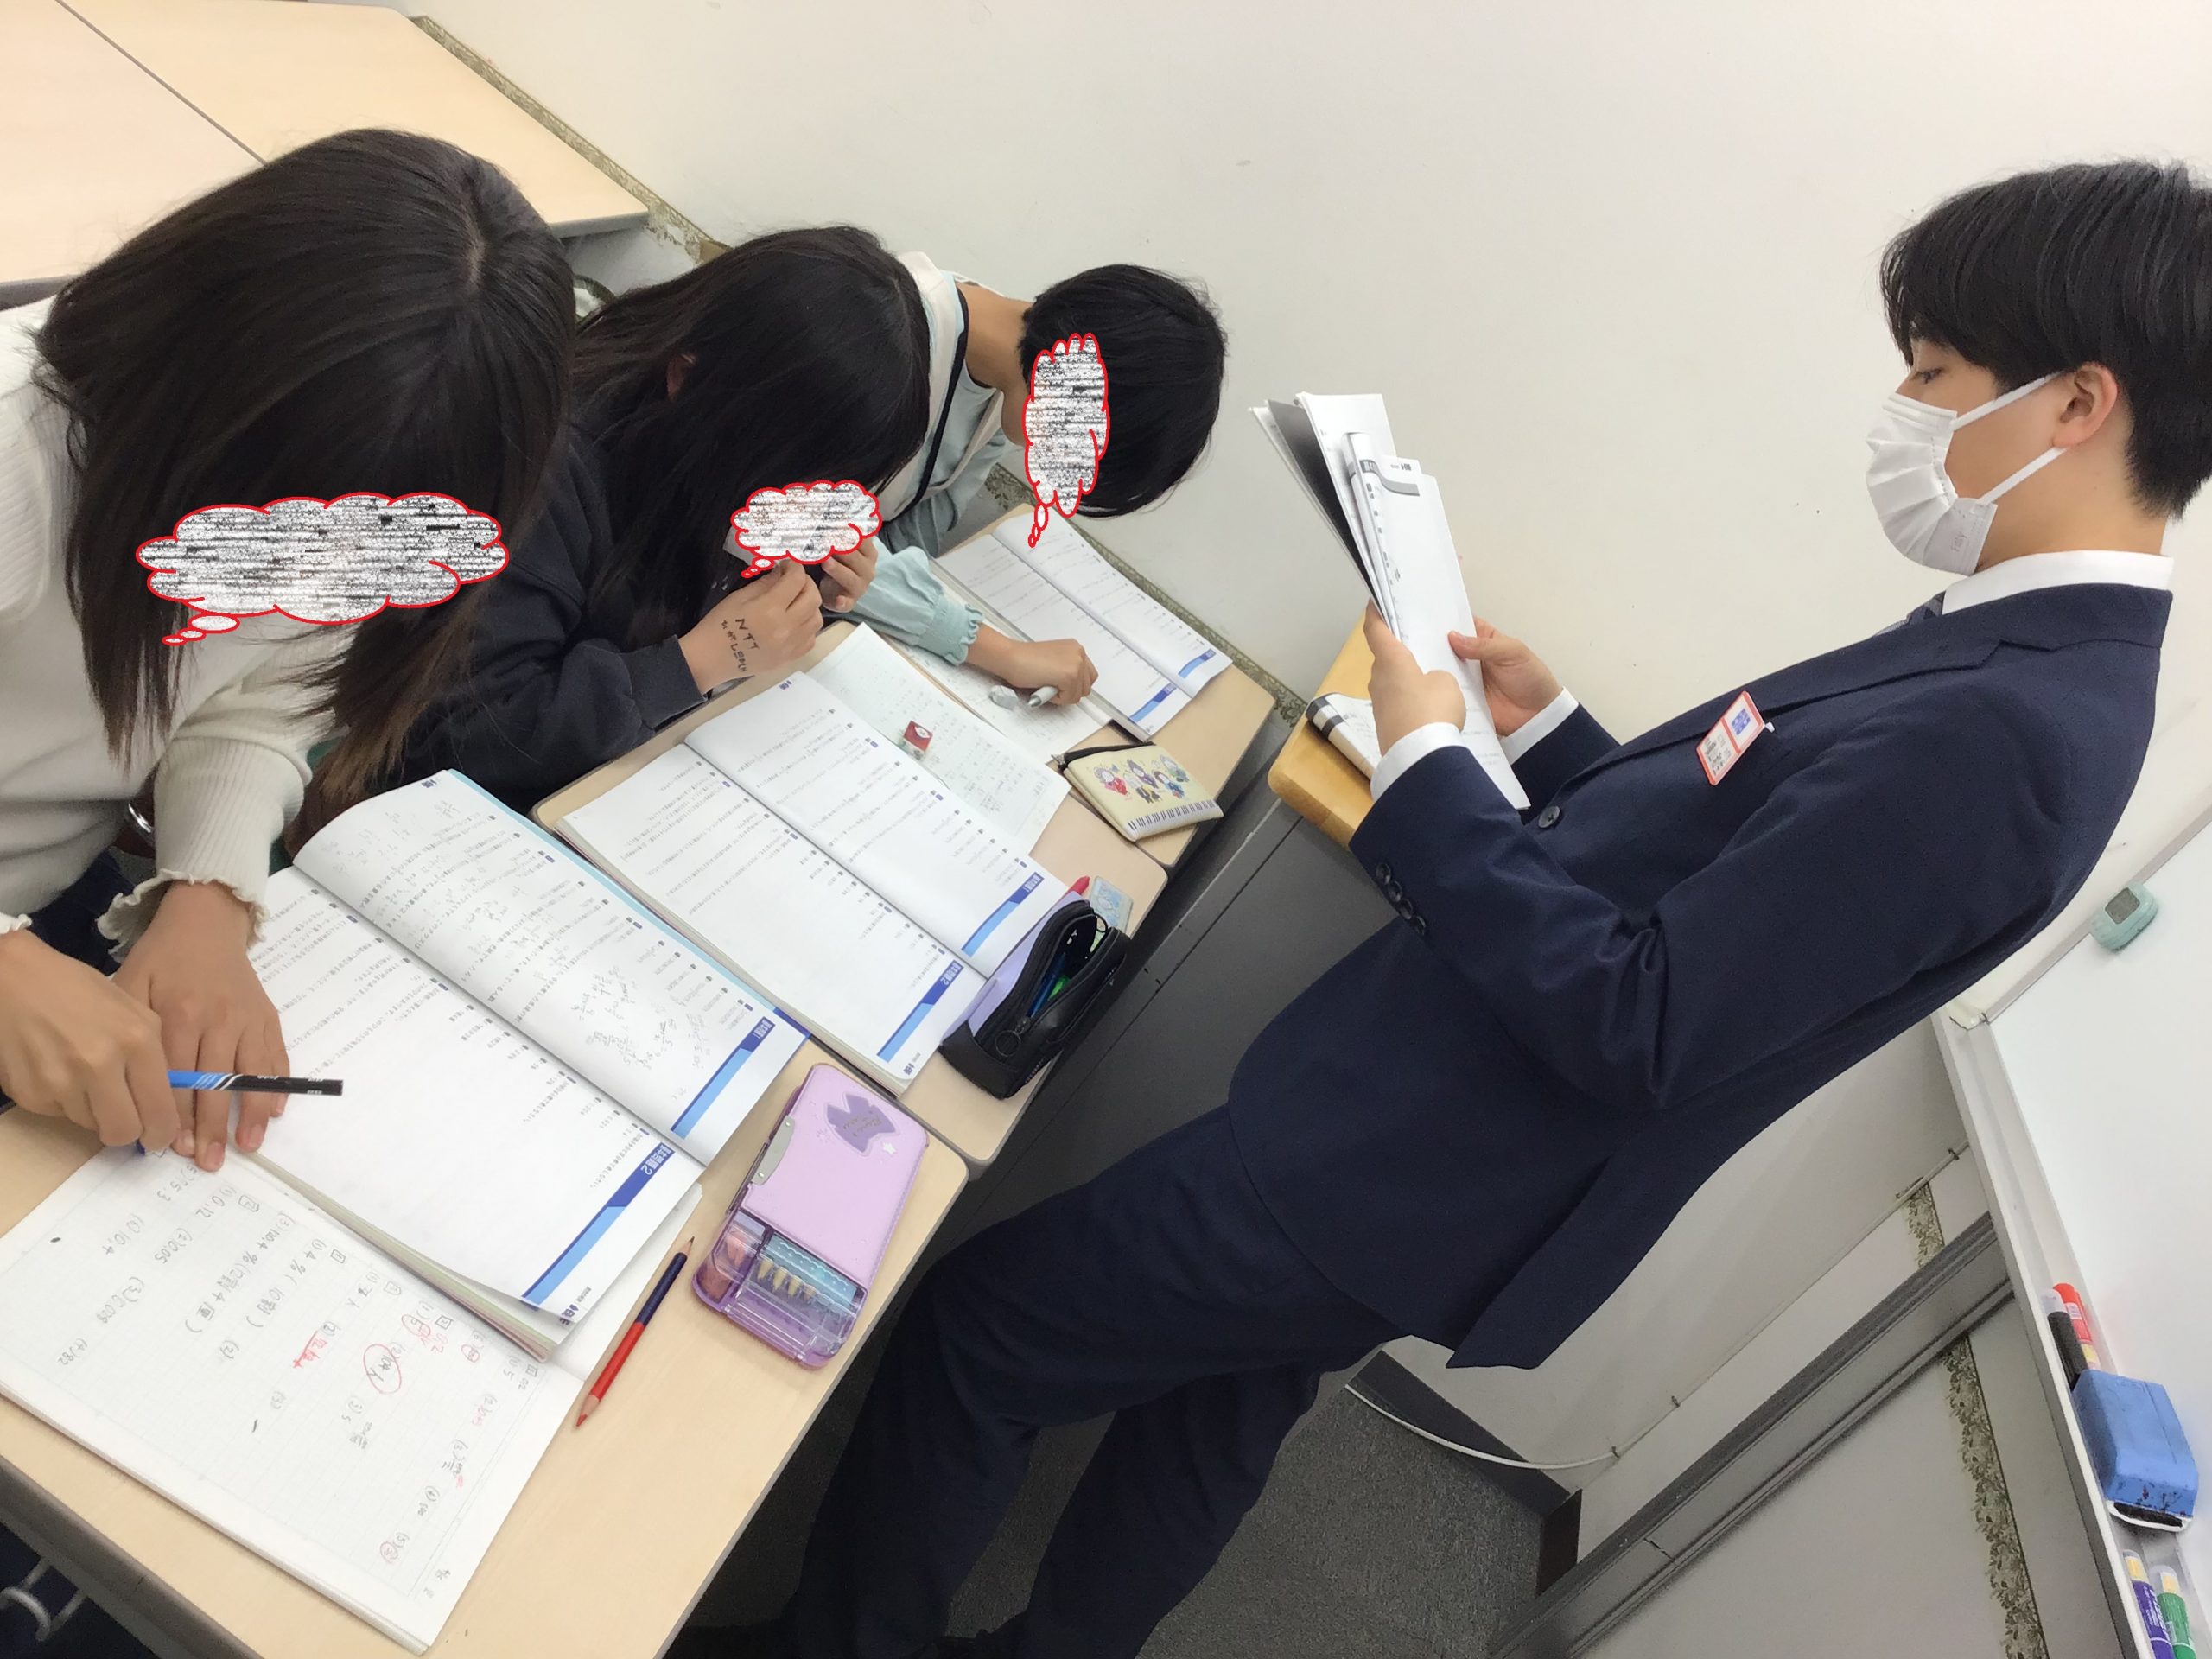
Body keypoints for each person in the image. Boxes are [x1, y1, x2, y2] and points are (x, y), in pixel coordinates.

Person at [733, 158, 2200, 1659]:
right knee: (1209, 1416)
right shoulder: (2019, 653)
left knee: (984, 1330)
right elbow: (1745, 852)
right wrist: (1551, 733)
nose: (1903, 407)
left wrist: (1429, 757)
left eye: (1935, 373)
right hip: (1430, 1145)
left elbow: (1648, 1020)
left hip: (1413, 1162)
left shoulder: (2013, 732)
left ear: (2077, 405)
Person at [0, 130, 572, 1179]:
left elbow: (256, 703)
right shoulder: (17, 464)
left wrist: (210, 895)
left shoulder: (369, 482)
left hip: (43, 900)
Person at [398, 226, 933, 805]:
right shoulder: (546, 469)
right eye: (792, 479)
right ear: (686, 378)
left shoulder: (712, 463)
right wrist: (695, 664)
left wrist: (810, 590)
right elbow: (457, 736)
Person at [846, 257, 1226, 708]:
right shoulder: (883, 341)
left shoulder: (1004, 385)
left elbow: (917, 526)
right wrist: (1001, 652)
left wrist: (906, 605)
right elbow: (817, 541)